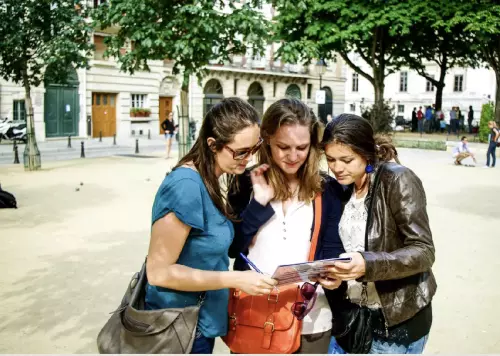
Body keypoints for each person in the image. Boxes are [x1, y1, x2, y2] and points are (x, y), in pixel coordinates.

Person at [145, 97, 277, 354]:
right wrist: (235, 279)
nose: (248, 158)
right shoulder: (186, 186)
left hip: (196, 323)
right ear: (213, 145)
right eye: (241, 152)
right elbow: (158, 272)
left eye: (254, 148)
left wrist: (259, 202)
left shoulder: (210, 179)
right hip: (177, 328)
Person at [228, 99, 345, 353]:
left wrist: (334, 277)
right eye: (283, 147)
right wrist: (258, 204)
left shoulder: (329, 190)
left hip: (309, 321)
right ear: (267, 139)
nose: (293, 157)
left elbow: (331, 252)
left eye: (302, 147)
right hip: (253, 315)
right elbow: (233, 248)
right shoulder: (244, 182)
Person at [321, 114, 436, 354]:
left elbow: (424, 250)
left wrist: (367, 264)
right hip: (350, 319)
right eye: (330, 159)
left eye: (346, 159)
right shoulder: (343, 188)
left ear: (367, 154)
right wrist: (337, 276)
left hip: (395, 324)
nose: (337, 168)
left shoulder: (397, 180)